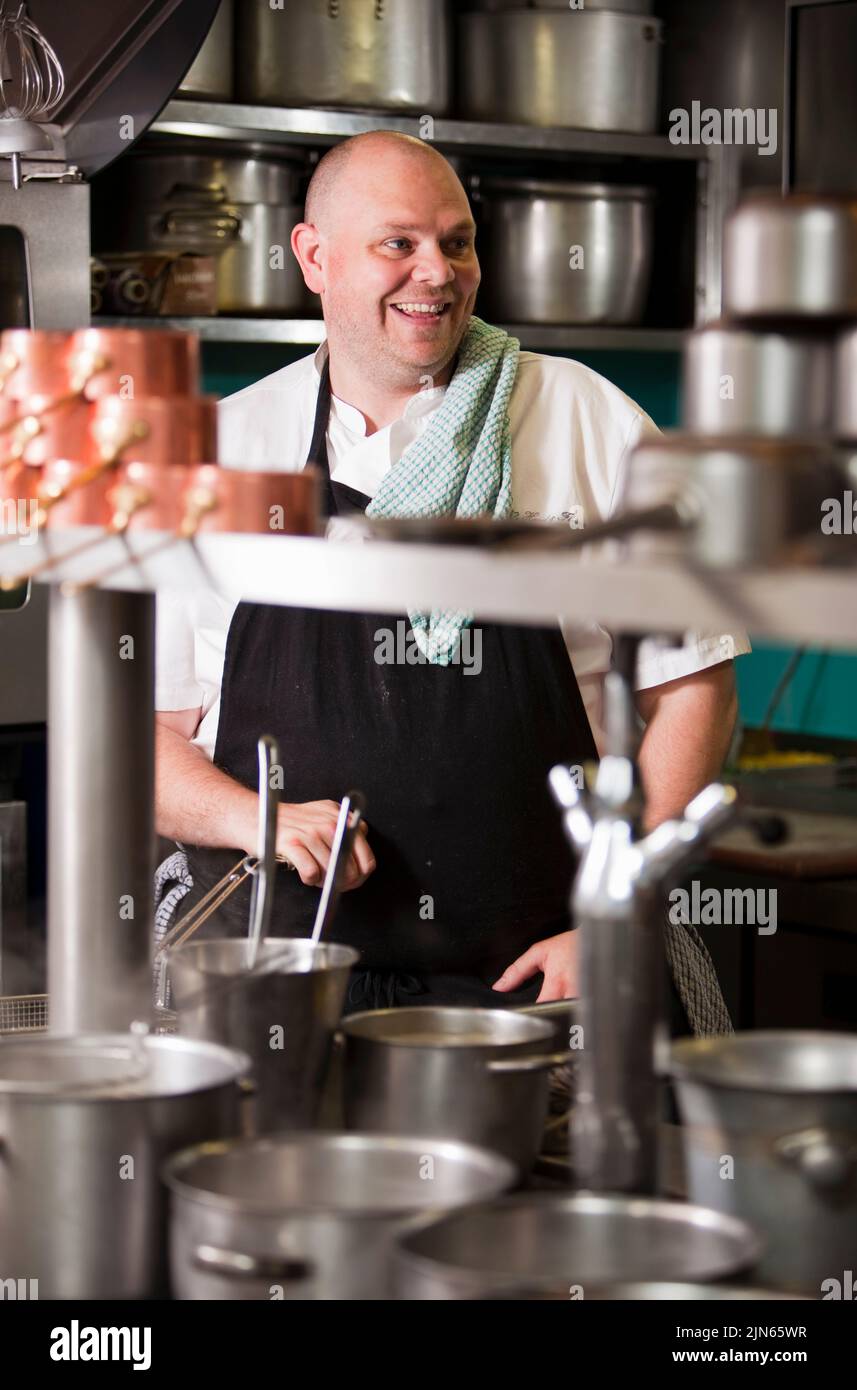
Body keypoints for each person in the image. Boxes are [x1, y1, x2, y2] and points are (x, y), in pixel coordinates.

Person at [155, 132, 748, 1017]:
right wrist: (255, 819)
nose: (436, 272)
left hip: (545, 974)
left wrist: (616, 910)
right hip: (278, 973)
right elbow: (152, 736)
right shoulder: (224, 448)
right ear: (313, 258)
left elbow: (691, 689)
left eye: (456, 242)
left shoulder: (587, 420)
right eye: (398, 243)